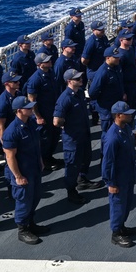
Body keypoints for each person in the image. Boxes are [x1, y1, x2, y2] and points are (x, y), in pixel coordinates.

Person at [2, 95, 48, 245]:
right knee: (24, 201)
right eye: (28, 108)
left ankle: (31, 223)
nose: (31, 109)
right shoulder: (12, 131)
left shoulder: (32, 123)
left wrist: (40, 161)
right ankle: (22, 229)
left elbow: (37, 144)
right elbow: (10, 157)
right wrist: (18, 176)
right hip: (23, 172)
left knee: (35, 197)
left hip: (33, 168)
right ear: (19, 110)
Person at [53, 68, 99, 204]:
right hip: (72, 138)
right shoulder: (65, 98)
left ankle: (82, 180)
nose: (81, 80)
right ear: (69, 81)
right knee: (72, 165)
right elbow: (56, 120)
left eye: (80, 78)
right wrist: (67, 124)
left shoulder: (78, 93)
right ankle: (71, 191)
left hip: (83, 134)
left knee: (86, 158)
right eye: (77, 79)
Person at [102, 100, 136, 248]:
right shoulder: (112, 138)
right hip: (118, 178)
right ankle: (116, 233)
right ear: (118, 115)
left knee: (126, 203)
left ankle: (122, 226)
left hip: (127, 173)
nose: (130, 116)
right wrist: (110, 183)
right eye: (127, 114)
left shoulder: (126, 129)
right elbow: (108, 163)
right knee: (118, 205)